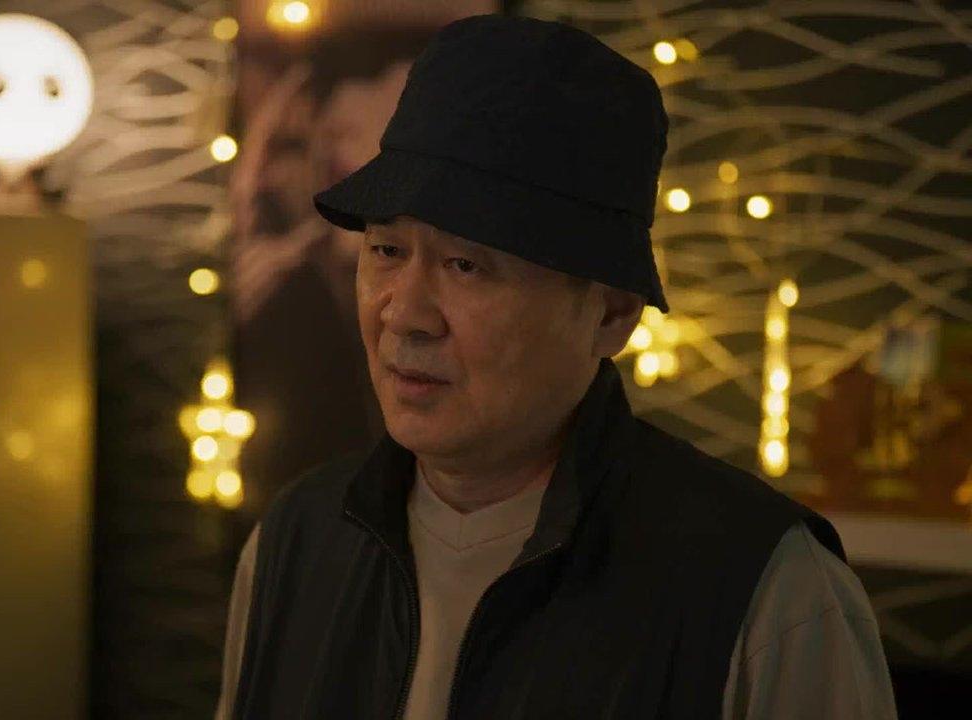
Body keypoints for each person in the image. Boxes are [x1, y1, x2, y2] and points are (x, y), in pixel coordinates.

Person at [216, 14, 897, 719]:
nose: (406, 314)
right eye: (386, 251)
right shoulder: (294, 546)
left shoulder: (766, 593)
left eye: (466, 265)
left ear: (612, 315)